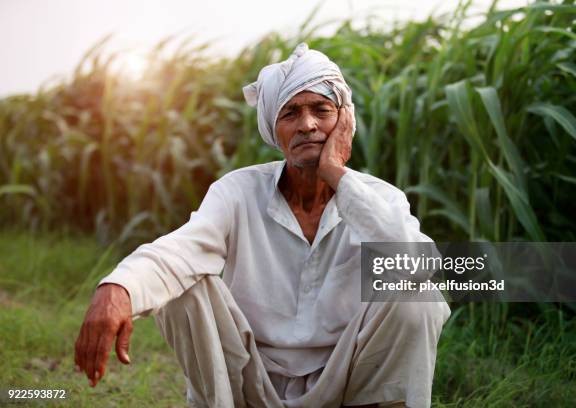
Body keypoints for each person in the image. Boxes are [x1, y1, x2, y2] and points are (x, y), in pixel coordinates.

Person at [74, 43, 451, 408]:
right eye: (290, 114)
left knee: (417, 297)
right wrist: (118, 288)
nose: (307, 124)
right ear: (275, 130)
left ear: (344, 122)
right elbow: (182, 250)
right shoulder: (237, 191)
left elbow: (417, 266)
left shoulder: (379, 197)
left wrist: (336, 173)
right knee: (184, 289)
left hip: (345, 380)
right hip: (249, 381)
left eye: (321, 110)